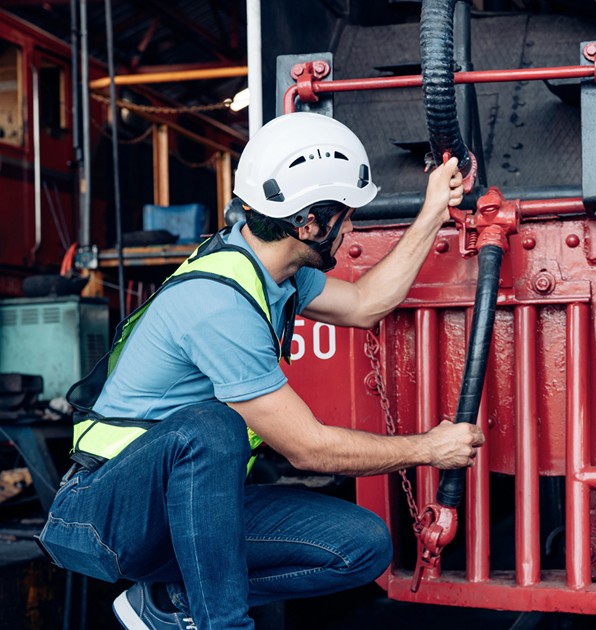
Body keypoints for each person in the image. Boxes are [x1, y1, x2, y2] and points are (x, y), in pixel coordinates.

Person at [36, 112, 484, 630]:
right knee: (212, 427)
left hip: (175, 509)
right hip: (106, 515)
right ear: (309, 223)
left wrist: (432, 212)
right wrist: (429, 447)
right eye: (346, 214)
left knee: (362, 546)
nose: (353, 227)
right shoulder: (218, 303)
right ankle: (221, 624)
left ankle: (167, 601)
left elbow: (364, 303)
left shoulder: (276, 271)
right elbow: (308, 448)